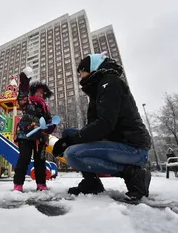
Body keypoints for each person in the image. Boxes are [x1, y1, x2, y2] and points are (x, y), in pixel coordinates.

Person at [53, 54, 152, 201]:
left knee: (72, 154)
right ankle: (92, 183)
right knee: (68, 133)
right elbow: (94, 126)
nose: (80, 77)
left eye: (82, 72)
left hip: (133, 147)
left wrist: (71, 141)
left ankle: (132, 173)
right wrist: (71, 138)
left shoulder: (111, 83)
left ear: (92, 69)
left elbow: (105, 124)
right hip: (116, 142)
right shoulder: (98, 89)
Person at [13, 67, 56, 192]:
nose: (39, 94)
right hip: (26, 135)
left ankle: (41, 184)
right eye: (37, 92)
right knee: (24, 159)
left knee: (40, 161)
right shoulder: (28, 103)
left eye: (42, 93)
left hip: (41, 138)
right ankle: (18, 185)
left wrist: (50, 126)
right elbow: (21, 97)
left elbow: (49, 121)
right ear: (33, 92)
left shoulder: (45, 108)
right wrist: (24, 84)